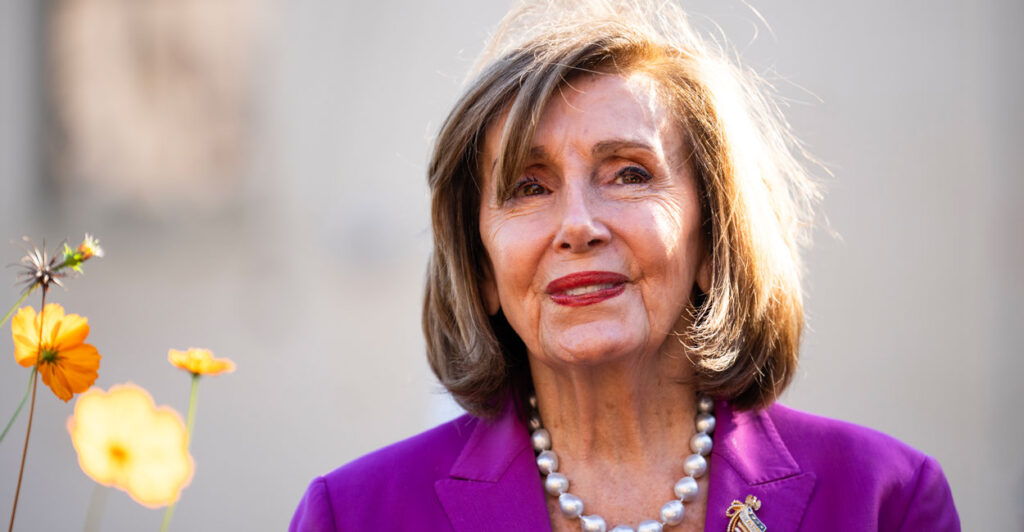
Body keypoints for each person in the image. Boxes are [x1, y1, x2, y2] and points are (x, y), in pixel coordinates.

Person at [290, 1, 960, 530]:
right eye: (528, 187)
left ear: (713, 236)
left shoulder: (883, 502)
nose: (577, 225)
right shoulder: (354, 517)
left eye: (629, 174)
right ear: (484, 268)